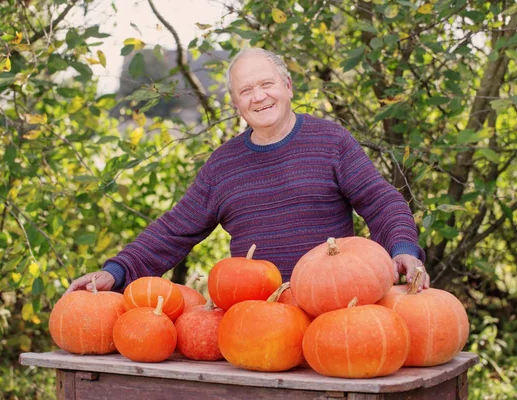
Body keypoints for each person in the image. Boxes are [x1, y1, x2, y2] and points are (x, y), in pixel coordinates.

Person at [65, 47, 430, 295]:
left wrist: (402, 248)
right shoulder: (223, 166)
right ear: (236, 102)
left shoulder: (331, 141)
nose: (258, 97)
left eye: (267, 84)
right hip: (254, 315)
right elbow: (174, 231)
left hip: (332, 305)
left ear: (287, 87)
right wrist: (115, 272)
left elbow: (381, 202)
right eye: (246, 90)